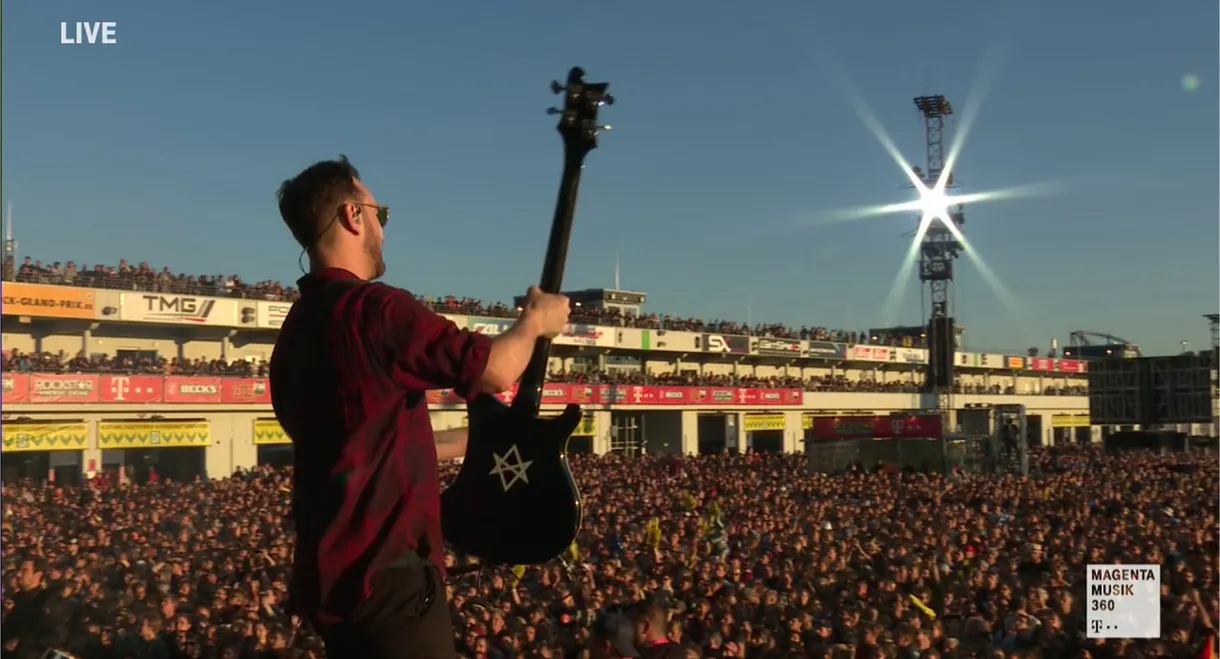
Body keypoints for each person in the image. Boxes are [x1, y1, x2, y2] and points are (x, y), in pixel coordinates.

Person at [269, 156, 571, 659]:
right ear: (352, 216)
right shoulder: (375, 309)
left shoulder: (294, 334)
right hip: (389, 582)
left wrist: (468, 444)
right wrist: (535, 323)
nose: (384, 229)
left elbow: (358, 444)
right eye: (379, 213)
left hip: (334, 586)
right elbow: (495, 369)